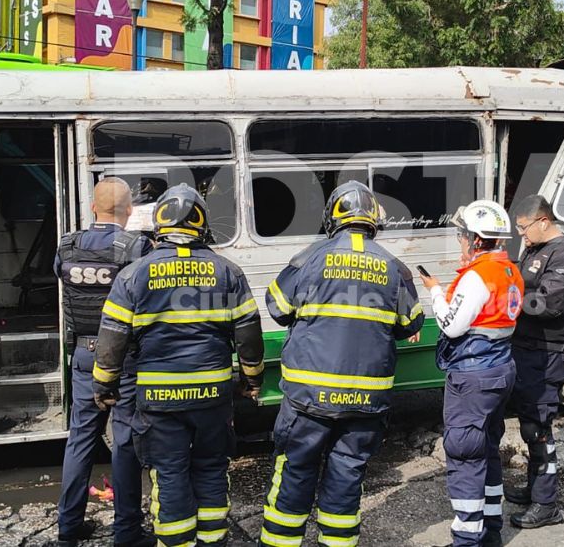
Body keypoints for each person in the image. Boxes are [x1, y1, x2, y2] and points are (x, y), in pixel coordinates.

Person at [93, 184, 266, 547]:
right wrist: (252, 380)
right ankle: (213, 540)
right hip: (212, 397)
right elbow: (249, 338)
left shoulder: (134, 275)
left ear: (159, 226)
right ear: (201, 226)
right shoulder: (228, 272)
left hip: (159, 401)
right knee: (211, 469)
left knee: (169, 474)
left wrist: (103, 387)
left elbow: (111, 342)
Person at [260, 181, 424, 547]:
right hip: (366, 403)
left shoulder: (308, 259)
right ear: (372, 220)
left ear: (333, 217)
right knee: (347, 479)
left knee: (294, 474)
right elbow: (411, 324)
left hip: (308, 399)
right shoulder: (395, 268)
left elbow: (277, 309)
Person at [420, 200, 525, 547]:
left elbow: (452, 326)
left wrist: (435, 291)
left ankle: (467, 538)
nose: (460, 240)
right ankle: (490, 530)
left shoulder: (479, 276)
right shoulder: (510, 270)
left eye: (464, 234)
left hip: (473, 377)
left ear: (477, 239)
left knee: (465, 453)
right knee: (487, 449)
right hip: (500, 370)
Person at [55, 178, 153, 547]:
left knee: (80, 439)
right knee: (125, 441)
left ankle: (68, 528)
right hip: (124, 357)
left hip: (83, 353)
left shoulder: (67, 246)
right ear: (129, 212)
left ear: (93, 208)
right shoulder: (136, 247)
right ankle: (127, 531)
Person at [504, 195, 564, 530]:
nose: (521, 234)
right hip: (526, 348)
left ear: (543, 221)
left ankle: (547, 504)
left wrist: (506, 298)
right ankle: (536, 487)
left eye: (524, 227)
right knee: (528, 422)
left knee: (537, 427)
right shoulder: (535, 250)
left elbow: (546, 304)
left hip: (549, 352)